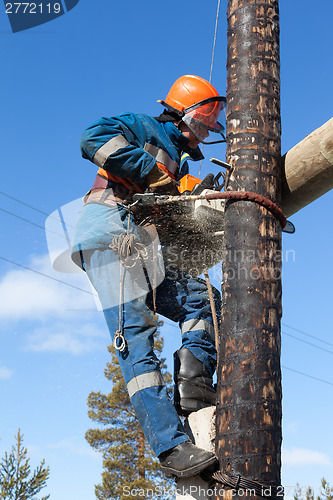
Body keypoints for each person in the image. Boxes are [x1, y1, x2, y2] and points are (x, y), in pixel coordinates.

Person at [71, 75, 226, 479]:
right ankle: (171, 446)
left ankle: (193, 383)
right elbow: (93, 136)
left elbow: (168, 220)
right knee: (136, 338)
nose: (211, 129)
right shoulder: (144, 127)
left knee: (203, 299)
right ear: (188, 114)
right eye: (208, 120)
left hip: (145, 248)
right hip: (110, 237)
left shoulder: (179, 159)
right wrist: (152, 172)